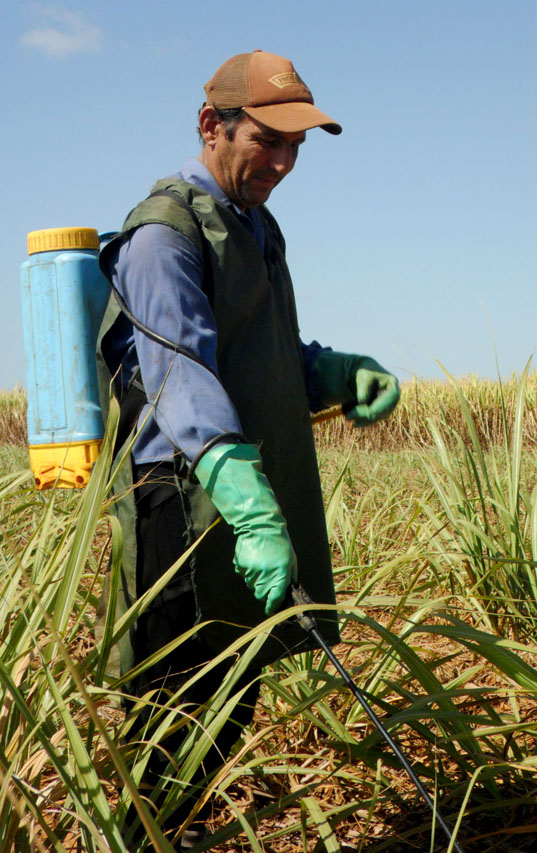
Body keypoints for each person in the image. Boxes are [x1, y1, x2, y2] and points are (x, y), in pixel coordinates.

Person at [96, 49, 400, 850]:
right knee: (174, 715)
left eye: (296, 146)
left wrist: (330, 371)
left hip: (240, 499)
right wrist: (247, 500)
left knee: (232, 700)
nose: (284, 162)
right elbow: (180, 373)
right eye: (269, 140)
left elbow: (260, 350)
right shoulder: (162, 235)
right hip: (183, 506)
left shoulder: (255, 226)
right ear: (212, 125)